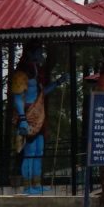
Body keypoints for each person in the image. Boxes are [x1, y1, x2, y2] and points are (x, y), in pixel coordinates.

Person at [10, 42, 68, 195]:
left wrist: (57, 83)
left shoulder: (36, 72)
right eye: (39, 52)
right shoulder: (21, 73)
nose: (41, 55)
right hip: (28, 116)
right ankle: (28, 186)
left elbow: (41, 93)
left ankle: (37, 183)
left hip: (39, 116)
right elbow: (17, 98)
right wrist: (22, 118)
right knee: (29, 152)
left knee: (39, 151)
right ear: (30, 54)